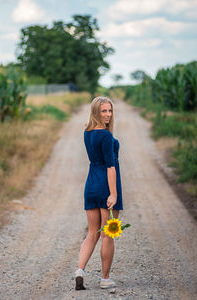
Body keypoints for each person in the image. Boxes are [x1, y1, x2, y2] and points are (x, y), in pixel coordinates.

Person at [75, 96, 123, 290]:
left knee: (91, 234)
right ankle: (105, 279)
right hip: (105, 186)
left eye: (110, 111)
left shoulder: (87, 133)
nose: (108, 115)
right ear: (96, 112)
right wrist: (113, 194)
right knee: (106, 235)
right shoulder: (105, 136)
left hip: (91, 185)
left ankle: (80, 270)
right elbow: (110, 167)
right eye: (104, 111)